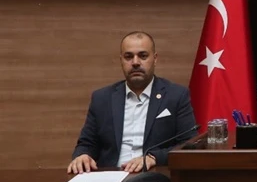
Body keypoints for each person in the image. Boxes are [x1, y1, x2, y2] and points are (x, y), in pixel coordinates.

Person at [68, 31, 197, 174]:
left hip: (153, 176)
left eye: (143, 56)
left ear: (155, 59)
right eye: (128, 57)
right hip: (110, 177)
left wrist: (154, 158)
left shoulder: (176, 95)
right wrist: (82, 155)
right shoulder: (102, 98)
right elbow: (87, 143)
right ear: (121, 60)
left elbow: (189, 145)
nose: (135, 62)